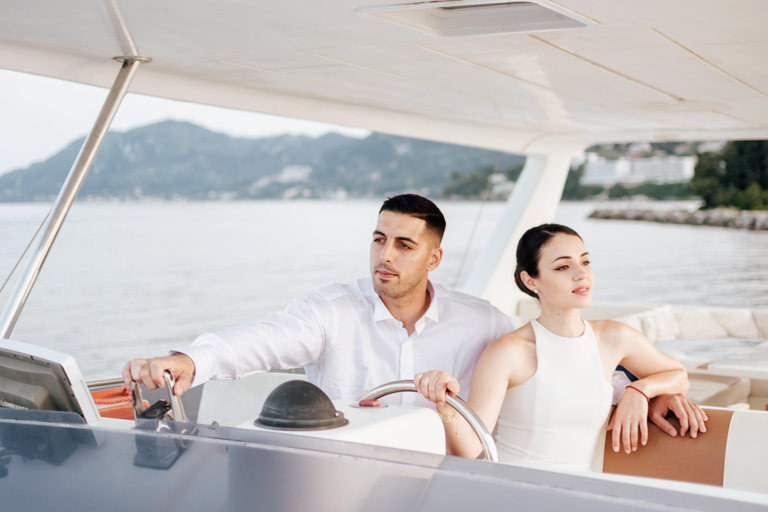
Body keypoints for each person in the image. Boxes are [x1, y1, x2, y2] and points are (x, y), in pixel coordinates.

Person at [123, 196, 706, 433]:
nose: (385, 255)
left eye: (404, 245)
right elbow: (257, 342)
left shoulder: (480, 322)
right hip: (345, 479)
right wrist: (185, 361)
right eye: (379, 239)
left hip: (444, 481)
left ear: (434, 256)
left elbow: (553, 363)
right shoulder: (330, 311)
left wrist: (640, 390)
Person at [415, 223, 699, 471]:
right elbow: (471, 447)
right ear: (531, 280)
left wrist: (640, 391)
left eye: (585, 262)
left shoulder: (614, 337)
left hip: (584, 490)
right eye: (563, 266)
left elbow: (678, 375)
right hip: (515, 493)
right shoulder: (508, 352)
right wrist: (445, 405)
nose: (581, 274)